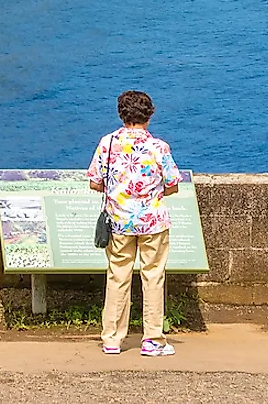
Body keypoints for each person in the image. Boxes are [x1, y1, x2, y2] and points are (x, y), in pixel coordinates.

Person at [87, 89, 183, 357]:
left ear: (121, 114)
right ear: (149, 116)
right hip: (153, 222)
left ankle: (112, 339)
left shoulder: (107, 144)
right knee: (153, 277)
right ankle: (152, 339)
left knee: (118, 277)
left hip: (118, 221)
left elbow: (95, 182)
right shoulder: (158, 147)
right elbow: (173, 184)